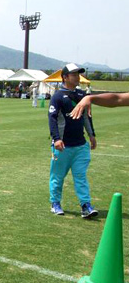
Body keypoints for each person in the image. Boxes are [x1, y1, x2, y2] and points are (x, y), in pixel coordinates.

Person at [48, 63, 97, 218]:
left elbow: (86, 116)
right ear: (65, 77)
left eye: (78, 74)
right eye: (74, 74)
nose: (77, 77)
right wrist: (56, 139)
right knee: (57, 177)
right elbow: (52, 119)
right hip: (62, 146)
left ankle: (85, 205)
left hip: (80, 146)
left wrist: (91, 135)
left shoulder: (82, 95)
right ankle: (55, 203)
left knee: (81, 176)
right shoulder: (57, 96)